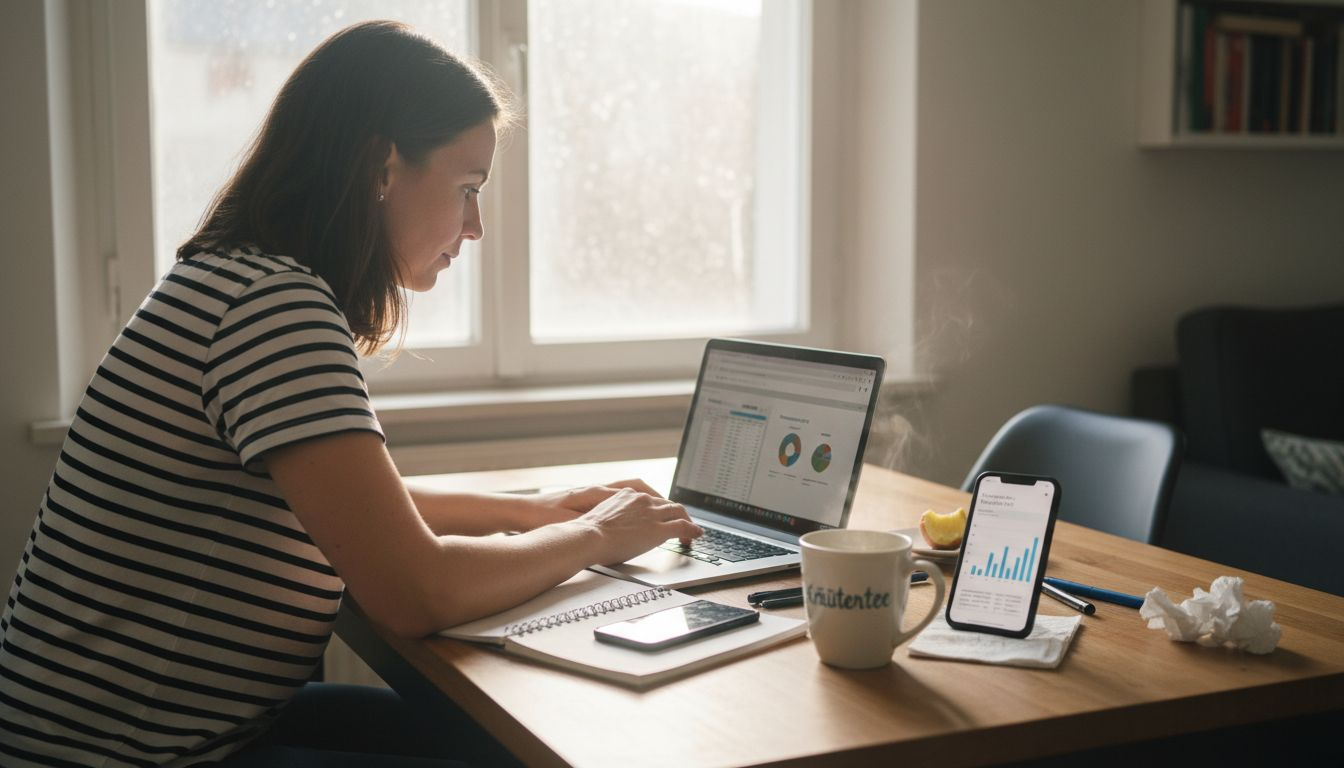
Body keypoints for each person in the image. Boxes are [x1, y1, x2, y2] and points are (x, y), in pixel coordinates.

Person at [0, 20, 701, 768]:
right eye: (467, 189)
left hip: (138, 733)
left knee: (497, 742)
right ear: (382, 166)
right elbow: (414, 591)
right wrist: (598, 537)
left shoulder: (233, 276)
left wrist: (536, 511)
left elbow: (359, 507)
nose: (476, 226)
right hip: (124, 756)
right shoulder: (273, 309)